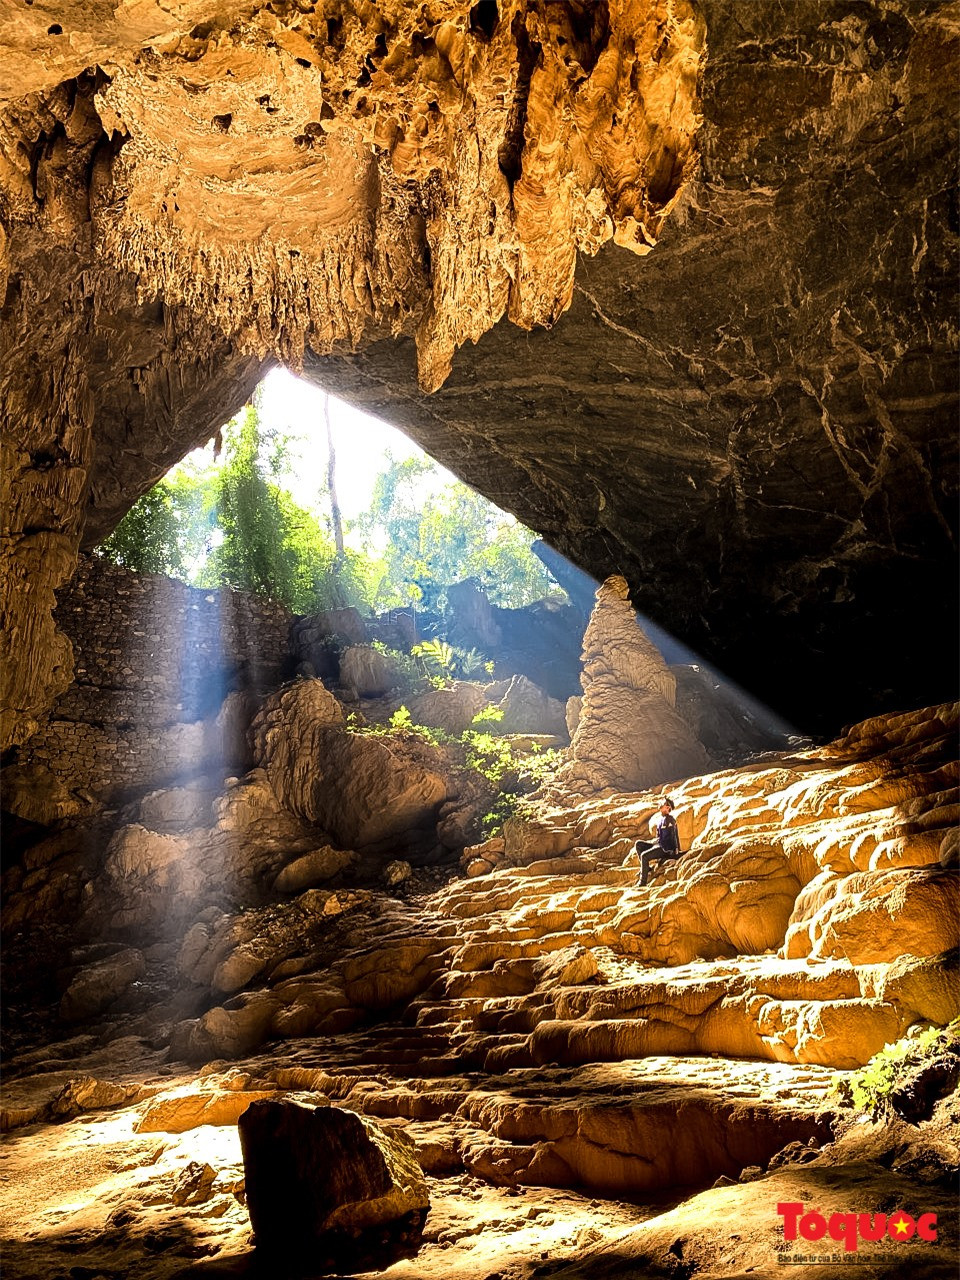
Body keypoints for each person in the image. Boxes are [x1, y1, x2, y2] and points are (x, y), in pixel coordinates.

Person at [636, 798, 682, 887]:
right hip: (658, 844)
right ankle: (647, 868)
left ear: (668, 808)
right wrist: (653, 843)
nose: (661, 806)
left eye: (663, 804)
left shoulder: (670, 820)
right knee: (639, 844)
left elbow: (674, 835)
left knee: (644, 856)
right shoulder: (661, 819)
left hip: (665, 849)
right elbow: (659, 837)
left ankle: (643, 882)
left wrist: (675, 851)